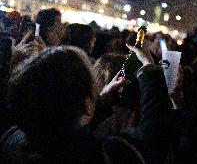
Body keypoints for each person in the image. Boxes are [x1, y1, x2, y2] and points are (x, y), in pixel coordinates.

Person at [1, 45, 172, 163]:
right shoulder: (103, 156)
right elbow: (153, 137)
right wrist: (149, 69)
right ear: (83, 102)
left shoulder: (11, 138)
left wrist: (100, 103)